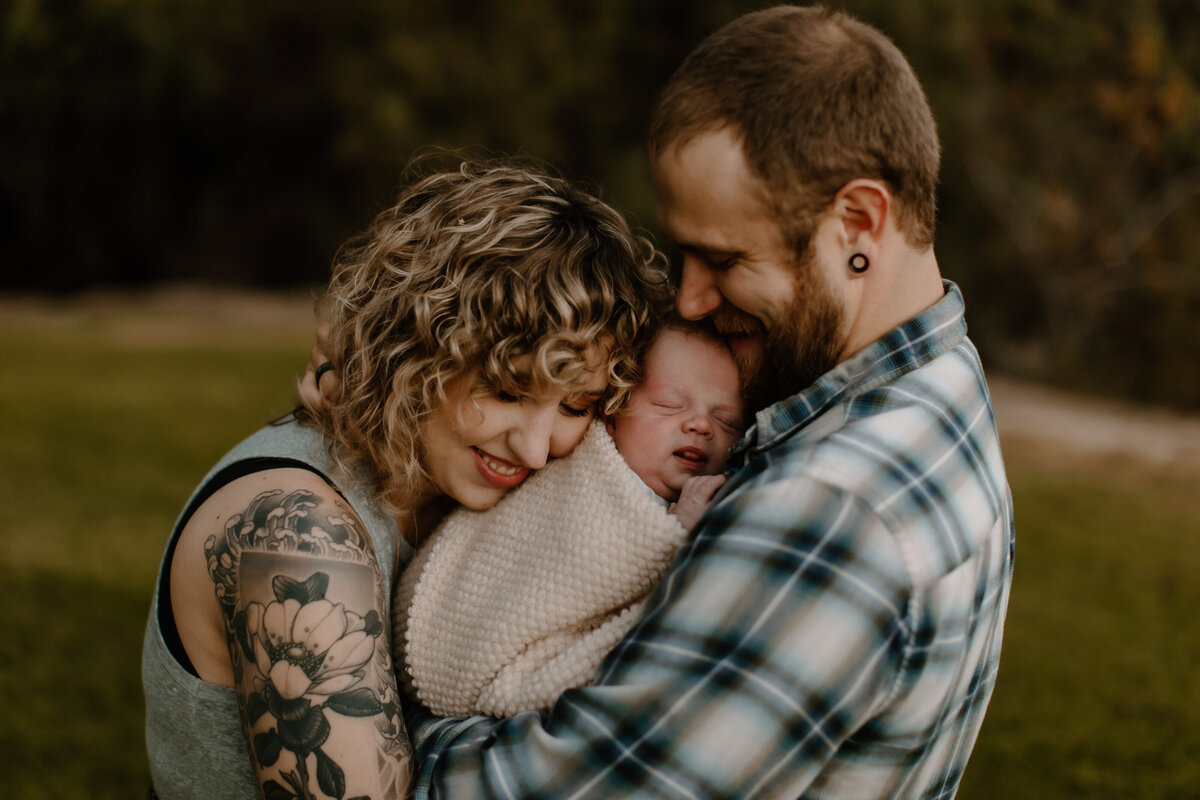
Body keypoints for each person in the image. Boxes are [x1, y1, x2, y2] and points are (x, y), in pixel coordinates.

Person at [402, 6, 1016, 798]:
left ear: (859, 222)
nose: (689, 300)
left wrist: (366, 701)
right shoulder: (944, 383)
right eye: (682, 251)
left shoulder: (830, 513)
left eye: (722, 258)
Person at [140, 159, 670, 800]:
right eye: (506, 389)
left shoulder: (452, 484)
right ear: (418, 347)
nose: (534, 448)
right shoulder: (295, 532)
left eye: (575, 406)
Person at [393, 322, 745, 718]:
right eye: (668, 404)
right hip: (450, 632)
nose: (701, 425)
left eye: (727, 422)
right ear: (610, 415)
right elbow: (562, 562)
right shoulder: (584, 471)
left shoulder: (720, 497)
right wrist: (675, 533)